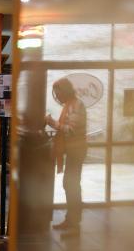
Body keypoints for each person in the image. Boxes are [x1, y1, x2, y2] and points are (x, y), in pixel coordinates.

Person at [45, 76, 87, 233]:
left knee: (71, 184)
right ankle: (72, 219)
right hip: (73, 149)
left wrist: (52, 123)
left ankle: (74, 220)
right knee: (70, 183)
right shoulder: (71, 104)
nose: (58, 96)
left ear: (65, 91)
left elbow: (71, 130)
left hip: (76, 149)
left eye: (59, 92)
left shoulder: (76, 105)